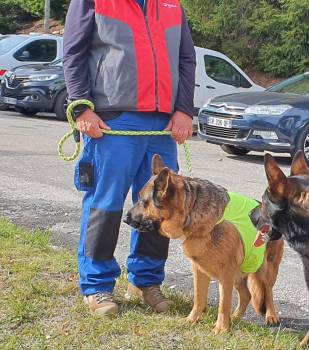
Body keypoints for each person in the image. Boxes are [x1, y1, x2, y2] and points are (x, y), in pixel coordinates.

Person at [63, 0, 196, 316]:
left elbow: (186, 59)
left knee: (161, 204)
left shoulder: (171, 4)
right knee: (104, 203)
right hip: (114, 120)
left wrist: (183, 110)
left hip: (163, 123)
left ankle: (146, 282)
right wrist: (81, 107)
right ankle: (97, 286)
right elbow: (74, 51)